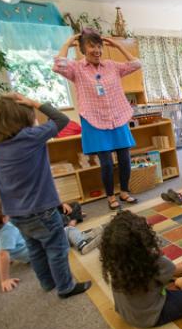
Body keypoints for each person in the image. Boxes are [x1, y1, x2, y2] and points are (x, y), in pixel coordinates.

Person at [0, 93, 91, 299]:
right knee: (57, 247)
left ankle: (47, 282)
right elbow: (63, 120)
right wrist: (35, 103)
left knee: (35, 247)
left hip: (16, 212)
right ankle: (65, 287)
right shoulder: (30, 137)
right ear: (23, 118)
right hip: (41, 209)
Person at [53, 28, 142, 211]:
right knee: (107, 163)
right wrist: (68, 43)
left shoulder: (111, 66)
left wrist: (117, 45)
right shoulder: (76, 68)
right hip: (94, 120)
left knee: (125, 158)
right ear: (83, 49)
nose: (96, 50)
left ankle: (124, 191)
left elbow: (136, 64)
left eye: (99, 46)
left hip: (117, 117)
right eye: (91, 46)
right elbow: (58, 65)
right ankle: (110, 196)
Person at [99, 211, 182, 328]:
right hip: (150, 315)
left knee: (164, 272)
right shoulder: (151, 259)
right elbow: (178, 271)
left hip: (126, 312)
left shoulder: (114, 257)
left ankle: (181, 282)